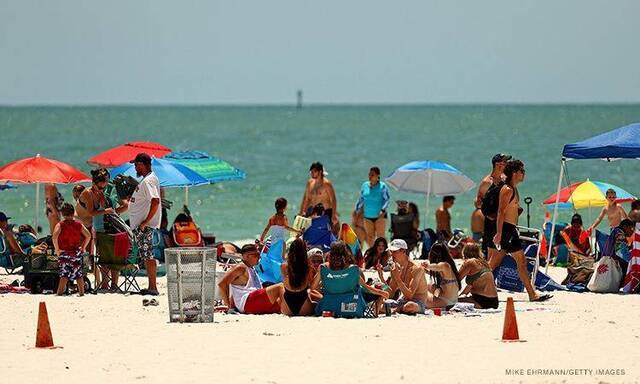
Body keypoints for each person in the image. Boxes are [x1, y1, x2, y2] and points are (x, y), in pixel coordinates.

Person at [491, 159, 551, 302]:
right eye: (522, 171)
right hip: (506, 230)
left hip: (511, 230)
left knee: (518, 262)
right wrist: (499, 233)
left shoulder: (513, 189)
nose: (524, 174)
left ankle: (532, 294)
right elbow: (500, 212)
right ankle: (469, 287)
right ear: (514, 173)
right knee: (494, 263)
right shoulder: (507, 190)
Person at [80, 168, 126, 291]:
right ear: (94, 183)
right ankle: (105, 283)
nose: (102, 189)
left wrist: (113, 212)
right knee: (103, 256)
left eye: (104, 186)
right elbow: (91, 212)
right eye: (100, 187)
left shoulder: (112, 189)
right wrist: (106, 210)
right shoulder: (89, 193)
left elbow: (125, 206)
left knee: (115, 257)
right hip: (100, 227)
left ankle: (114, 285)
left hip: (115, 226)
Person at [309, 241, 388, 307]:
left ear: (331, 254)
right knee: (376, 287)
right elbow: (366, 287)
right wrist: (381, 292)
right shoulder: (353, 269)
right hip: (350, 306)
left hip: (329, 305)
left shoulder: (323, 268)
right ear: (345, 254)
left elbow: (312, 288)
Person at [128, 153, 162, 296]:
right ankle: (151, 286)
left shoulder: (148, 180)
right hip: (142, 226)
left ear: (142, 164)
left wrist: (145, 222)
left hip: (145, 227)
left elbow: (155, 201)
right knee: (146, 256)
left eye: (136, 165)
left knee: (148, 256)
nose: (135, 167)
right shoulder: (146, 180)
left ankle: (153, 287)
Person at [217, 244, 281, 314]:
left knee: (283, 302)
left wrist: (233, 304)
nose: (259, 257)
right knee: (280, 287)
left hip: (252, 302)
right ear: (247, 256)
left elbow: (239, 290)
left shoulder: (251, 268)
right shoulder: (240, 267)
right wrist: (228, 306)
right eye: (256, 255)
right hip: (248, 303)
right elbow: (222, 284)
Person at [52, 203, 91, 296]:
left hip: (64, 252)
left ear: (62, 214)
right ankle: (81, 293)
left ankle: (59, 293)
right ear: (73, 213)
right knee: (78, 274)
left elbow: (54, 237)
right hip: (76, 252)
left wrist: (57, 249)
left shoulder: (60, 225)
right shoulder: (78, 225)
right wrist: (83, 247)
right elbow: (88, 235)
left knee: (64, 274)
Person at [477, 153, 511, 256]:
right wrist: (490, 214)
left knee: (503, 253)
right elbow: (478, 203)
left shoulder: (505, 179)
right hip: (491, 223)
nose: (506, 164)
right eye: (504, 162)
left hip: (505, 221)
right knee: (492, 253)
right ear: (497, 164)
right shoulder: (487, 182)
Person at [383, 239, 429, 314]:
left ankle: (396, 309)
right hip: (402, 301)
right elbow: (391, 292)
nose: (392, 254)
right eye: (391, 251)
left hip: (417, 302)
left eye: (394, 251)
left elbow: (410, 296)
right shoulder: (396, 267)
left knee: (409, 306)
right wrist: (381, 279)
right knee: (380, 305)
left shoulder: (416, 268)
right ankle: (397, 309)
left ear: (403, 251)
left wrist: (397, 278)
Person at [354, 166, 391, 248]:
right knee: (370, 237)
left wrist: (383, 209)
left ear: (378, 176)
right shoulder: (365, 185)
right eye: (369, 175)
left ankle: (383, 254)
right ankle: (373, 255)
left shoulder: (383, 186)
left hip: (380, 216)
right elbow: (361, 199)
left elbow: (387, 199)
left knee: (381, 237)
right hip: (367, 216)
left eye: (372, 175)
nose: (370, 177)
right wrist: (356, 211)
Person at [278, 238, 314, 316]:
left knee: (281, 288)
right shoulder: (308, 267)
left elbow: (284, 282)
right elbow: (311, 285)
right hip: (304, 305)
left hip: (287, 307)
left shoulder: (283, 266)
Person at [299, 162, 338, 232]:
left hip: (325, 213)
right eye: (311, 171)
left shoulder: (326, 184)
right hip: (312, 213)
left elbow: (333, 200)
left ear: (320, 172)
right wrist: (302, 212)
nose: (312, 173)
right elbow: (306, 199)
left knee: (327, 234)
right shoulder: (310, 183)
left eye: (314, 171)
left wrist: (333, 215)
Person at [457, 243, 498, 309]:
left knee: (452, 302)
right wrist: (460, 296)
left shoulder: (469, 262)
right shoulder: (484, 263)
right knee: (457, 300)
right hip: (494, 301)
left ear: (464, 252)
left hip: (481, 300)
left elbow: (456, 280)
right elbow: (469, 286)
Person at [421, 242, 461, 308]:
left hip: (445, 302)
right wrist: (426, 270)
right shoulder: (449, 266)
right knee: (431, 286)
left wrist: (427, 265)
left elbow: (436, 266)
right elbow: (437, 271)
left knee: (421, 291)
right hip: (451, 301)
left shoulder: (444, 265)